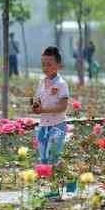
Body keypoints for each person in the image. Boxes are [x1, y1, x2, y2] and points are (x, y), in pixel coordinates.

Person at [33, 46, 69, 197]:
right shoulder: (42, 82)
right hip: (43, 126)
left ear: (58, 66)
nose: (45, 67)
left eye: (49, 64)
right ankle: (56, 186)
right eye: (43, 64)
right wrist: (35, 105)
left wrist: (43, 110)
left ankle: (55, 190)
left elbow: (63, 106)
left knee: (53, 156)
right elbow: (38, 99)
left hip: (57, 126)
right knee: (44, 157)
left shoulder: (61, 84)